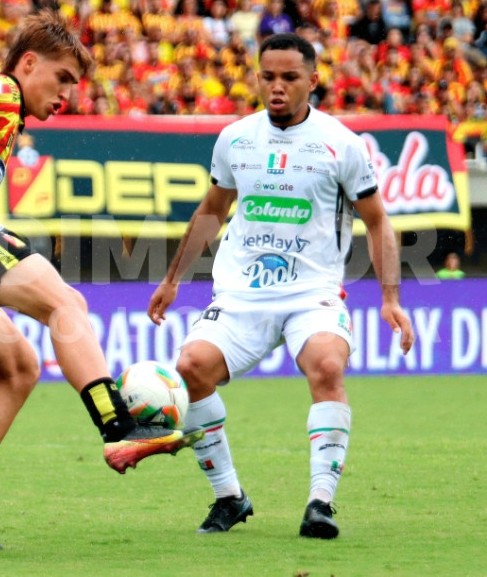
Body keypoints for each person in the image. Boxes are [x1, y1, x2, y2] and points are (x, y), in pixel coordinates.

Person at [0, 9, 203, 551]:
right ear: (28, 63)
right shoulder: (1, 90)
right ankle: (117, 427)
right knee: (64, 301)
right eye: (62, 77)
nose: (67, 93)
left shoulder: (3, 122)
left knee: (20, 367)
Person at [148, 33, 415, 540]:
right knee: (190, 367)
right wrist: (171, 279)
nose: (277, 86)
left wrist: (390, 298)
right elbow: (212, 210)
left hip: (311, 293)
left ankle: (320, 502)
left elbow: (378, 222)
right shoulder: (235, 139)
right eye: (268, 76)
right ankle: (229, 496)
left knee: (328, 365)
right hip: (241, 294)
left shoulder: (341, 143)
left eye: (290, 77)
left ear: (312, 81)